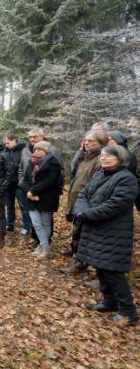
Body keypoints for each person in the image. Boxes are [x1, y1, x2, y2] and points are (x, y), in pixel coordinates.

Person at [75, 145, 138, 327]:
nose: (103, 158)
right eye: (102, 155)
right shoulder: (99, 174)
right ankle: (108, 302)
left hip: (114, 231)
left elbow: (115, 204)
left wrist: (87, 214)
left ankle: (128, 312)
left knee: (113, 271)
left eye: (108, 156)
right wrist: (82, 211)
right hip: (96, 228)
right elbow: (83, 194)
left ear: (120, 158)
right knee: (101, 267)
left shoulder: (127, 179)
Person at [61, 130, 108, 274]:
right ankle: (78, 259)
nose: (87, 143)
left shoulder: (100, 159)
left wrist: (86, 207)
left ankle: (81, 264)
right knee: (77, 232)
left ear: (101, 143)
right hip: (78, 202)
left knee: (83, 234)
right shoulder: (87, 157)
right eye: (85, 140)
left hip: (88, 205)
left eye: (91, 141)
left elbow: (94, 187)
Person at [19, 128, 62, 246]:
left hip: (46, 195)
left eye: (40, 149)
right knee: (36, 222)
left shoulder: (53, 159)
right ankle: (40, 242)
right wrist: (28, 190)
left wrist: (33, 191)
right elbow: (25, 176)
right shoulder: (30, 159)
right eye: (35, 149)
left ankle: (44, 245)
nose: (36, 151)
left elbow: (51, 179)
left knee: (45, 223)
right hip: (31, 195)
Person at [4, 135, 31, 234]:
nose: (6, 145)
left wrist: (22, 181)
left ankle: (27, 226)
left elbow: (25, 166)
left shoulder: (23, 150)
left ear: (15, 141)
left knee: (23, 205)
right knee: (9, 205)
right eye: (5, 143)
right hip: (8, 183)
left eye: (8, 143)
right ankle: (9, 223)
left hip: (19, 184)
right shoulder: (5, 151)